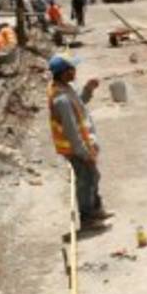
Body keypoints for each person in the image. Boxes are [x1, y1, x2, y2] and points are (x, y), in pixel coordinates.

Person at [48, 53, 111, 230]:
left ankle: (96, 209)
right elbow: (71, 130)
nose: (75, 71)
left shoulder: (66, 88)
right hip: (75, 148)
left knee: (93, 176)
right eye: (72, 69)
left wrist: (88, 90)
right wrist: (84, 153)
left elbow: (79, 105)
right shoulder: (61, 98)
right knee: (86, 181)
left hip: (82, 145)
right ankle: (88, 219)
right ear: (63, 73)